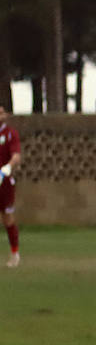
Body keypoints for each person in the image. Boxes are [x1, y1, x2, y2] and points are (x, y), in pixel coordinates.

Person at [0, 104, 20, 268]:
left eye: (1, 113)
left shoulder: (10, 134)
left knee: (7, 218)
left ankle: (14, 254)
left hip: (5, 182)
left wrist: (6, 168)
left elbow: (16, 156)